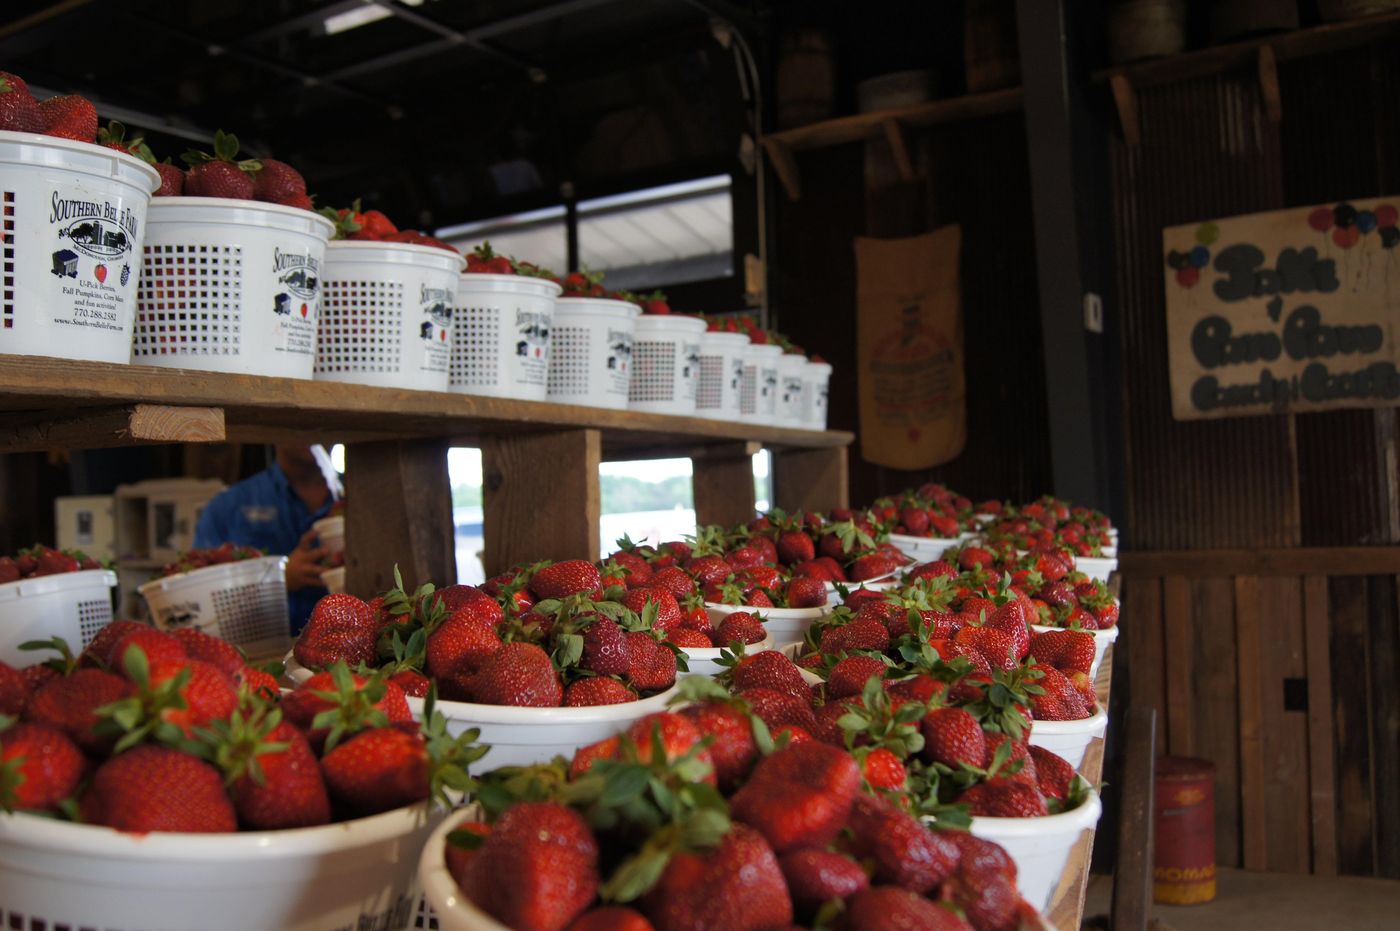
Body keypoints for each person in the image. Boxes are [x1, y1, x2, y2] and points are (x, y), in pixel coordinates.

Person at [193, 445, 342, 634]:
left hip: (353, 646)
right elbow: (200, 595)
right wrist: (279, 579)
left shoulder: (362, 496)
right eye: (297, 418)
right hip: (258, 648)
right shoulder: (226, 507)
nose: (310, 430)